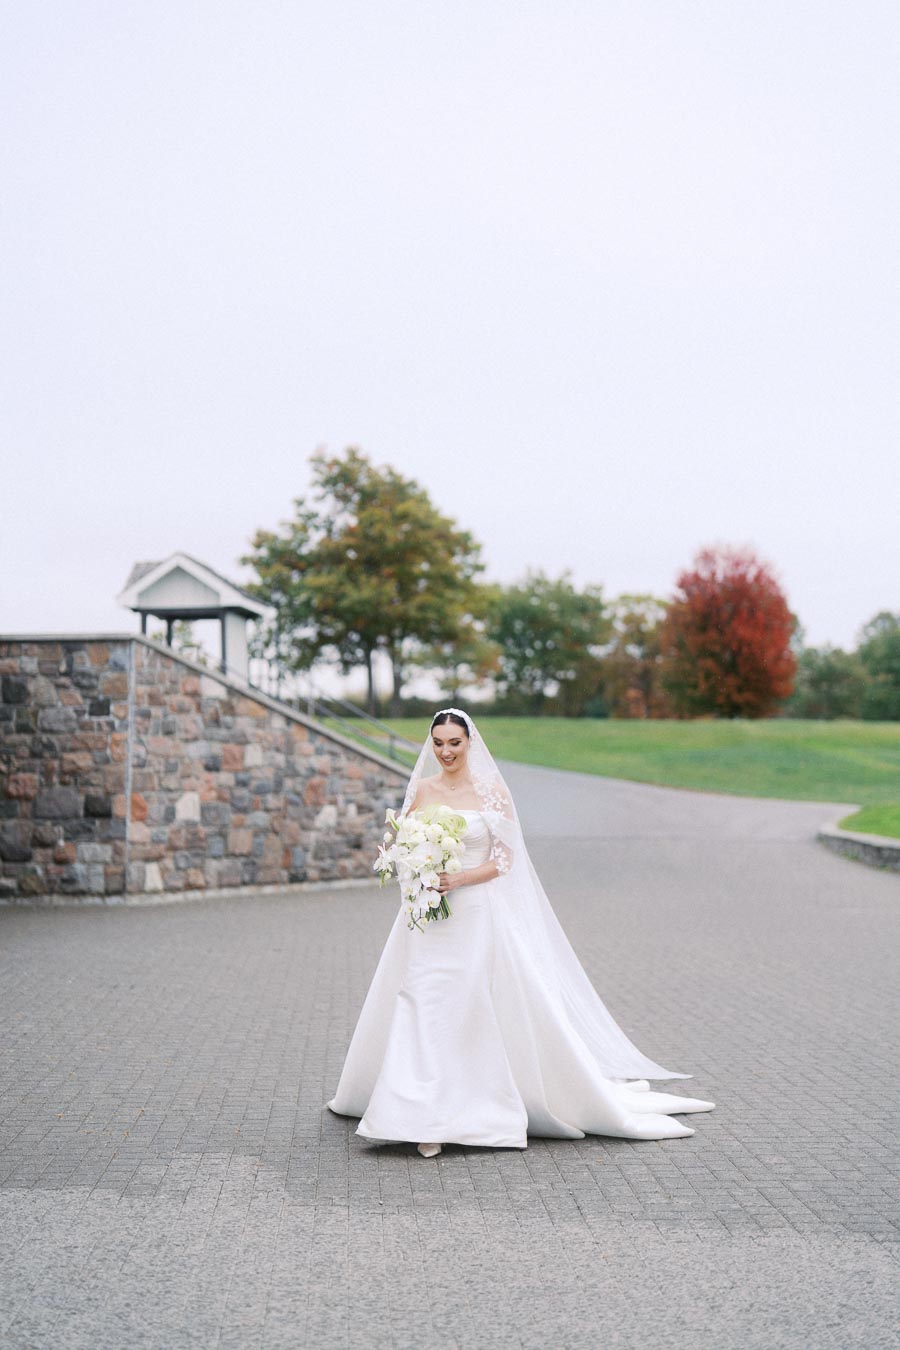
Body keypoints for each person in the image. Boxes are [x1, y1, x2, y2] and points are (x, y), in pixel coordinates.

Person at [328, 708, 714, 1157]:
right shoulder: (424, 789)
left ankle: (458, 1113)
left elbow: (505, 860)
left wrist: (461, 878)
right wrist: (415, 868)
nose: (446, 751)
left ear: (470, 742)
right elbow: (403, 845)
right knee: (420, 1002)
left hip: (473, 915)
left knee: (465, 1007)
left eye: (454, 742)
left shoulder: (491, 792)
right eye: (438, 743)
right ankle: (418, 1112)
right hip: (427, 919)